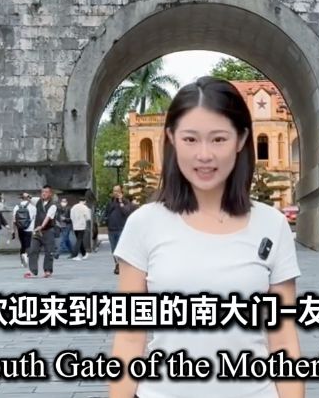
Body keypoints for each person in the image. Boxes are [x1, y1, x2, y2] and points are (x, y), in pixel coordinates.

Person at [110, 77, 302, 398]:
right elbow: (130, 339)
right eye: (190, 139)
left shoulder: (272, 225)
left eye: (218, 139)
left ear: (241, 139)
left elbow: (283, 340)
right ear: (171, 139)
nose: (204, 155)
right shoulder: (144, 223)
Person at [25, 185, 58, 278]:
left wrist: (42, 226)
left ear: (50, 194)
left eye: (46, 192)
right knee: (33, 250)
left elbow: (48, 217)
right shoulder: (38, 201)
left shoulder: (53, 205)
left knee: (49, 251)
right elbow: (30, 198)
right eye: (42, 192)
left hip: (48, 230)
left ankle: (48, 270)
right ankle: (32, 271)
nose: (44, 193)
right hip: (37, 231)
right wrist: (25, 195)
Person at [105, 184, 132, 275]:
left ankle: (120, 265)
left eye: (117, 191)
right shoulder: (110, 202)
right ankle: (117, 264)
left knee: (120, 249)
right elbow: (106, 214)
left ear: (121, 192)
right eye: (114, 191)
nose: (115, 193)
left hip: (121, 229)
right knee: (114, 249)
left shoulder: (125, 202)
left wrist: (121, 202)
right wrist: (107, 221)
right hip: (111, 229)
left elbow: (126, 212)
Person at [11, 192, 34, 267]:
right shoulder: (32, 207)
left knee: (23, 244)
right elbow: (35, 218)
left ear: (21, 198)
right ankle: (27, 257)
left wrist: (13, 230)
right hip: (30, 228)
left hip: (20, 228)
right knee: (28, 244)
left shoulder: (16, 207)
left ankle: (22, 261)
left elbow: (14, 220)